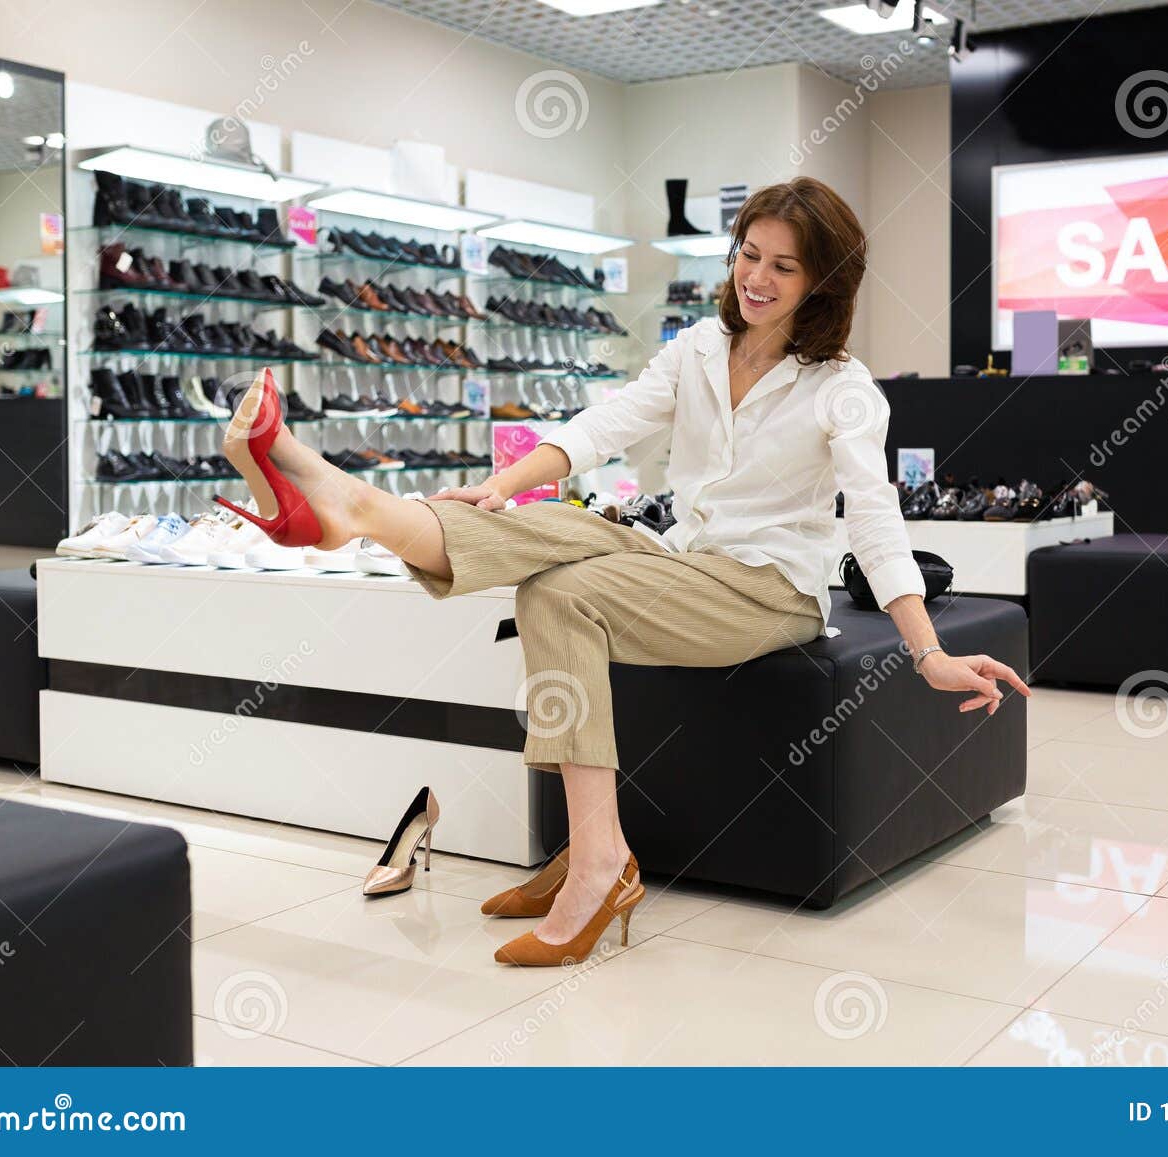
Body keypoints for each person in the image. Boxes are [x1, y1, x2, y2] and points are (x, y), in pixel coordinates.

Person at [213, 176, 1031, 967]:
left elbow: (876, 521)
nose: (757, 277)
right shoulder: (702, 348)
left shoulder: (843, 388)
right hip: (680, 558)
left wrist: (927, 651)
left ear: (823, 282)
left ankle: (597, 859)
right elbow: (607, 424)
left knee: (561, 592)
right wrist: (501, 485)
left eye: (784, 266)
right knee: (549, 526)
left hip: (764, 591)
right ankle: (350, 510)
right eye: (750, 254)